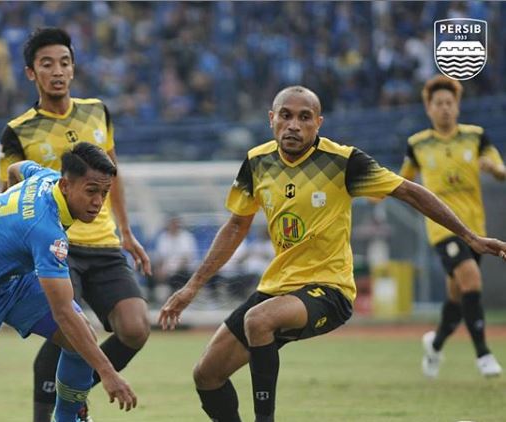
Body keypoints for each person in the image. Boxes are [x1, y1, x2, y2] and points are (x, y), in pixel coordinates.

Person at [158, 85, 506, 422]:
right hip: (278, 287)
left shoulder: (344, 162)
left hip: (330, 289)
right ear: (271, 119)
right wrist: (192, 287)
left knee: (258, 320)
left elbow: (411, 192)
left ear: (318, 123)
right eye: (286, 115)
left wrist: (468, 235)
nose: (294, 124)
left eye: (305, 117)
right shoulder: (257, 162)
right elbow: (236, 226)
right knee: (207, 374)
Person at [0, 143, 137, 421]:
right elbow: (63, 312)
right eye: (91, 191)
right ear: (66, 185)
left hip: (12, 283)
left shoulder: (45, 177)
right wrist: (108, 373)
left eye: (104, 193)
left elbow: (17, 168)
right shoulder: (46, 231)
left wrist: (5, 205)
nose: (98, 202)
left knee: (81, 339)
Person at [0, 28, 151, 422]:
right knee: (72, 331)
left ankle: (76, 392)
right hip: (55, 246)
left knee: (135, 329)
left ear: (74, 67)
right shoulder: (18, 130)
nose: (58, 71)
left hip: (104, 245)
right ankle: (56, 410)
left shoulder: (97, 110)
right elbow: (7, 191)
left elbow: (113, 175)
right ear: (31, 73)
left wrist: (127, 232)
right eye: (47, 64)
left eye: (64, 62)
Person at [399, 75, 506, 379]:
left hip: (476, 229)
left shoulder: (476, 136)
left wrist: (495, 168)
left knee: (458, 297)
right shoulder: (417, 144)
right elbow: (401, 182)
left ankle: (435, 344)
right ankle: (484, 354)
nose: (445, 108)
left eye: (449, 103)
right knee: (471, 280)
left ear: (457, 106)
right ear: (428, 108)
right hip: (442, 228)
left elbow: (500, 170)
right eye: (438, 103)